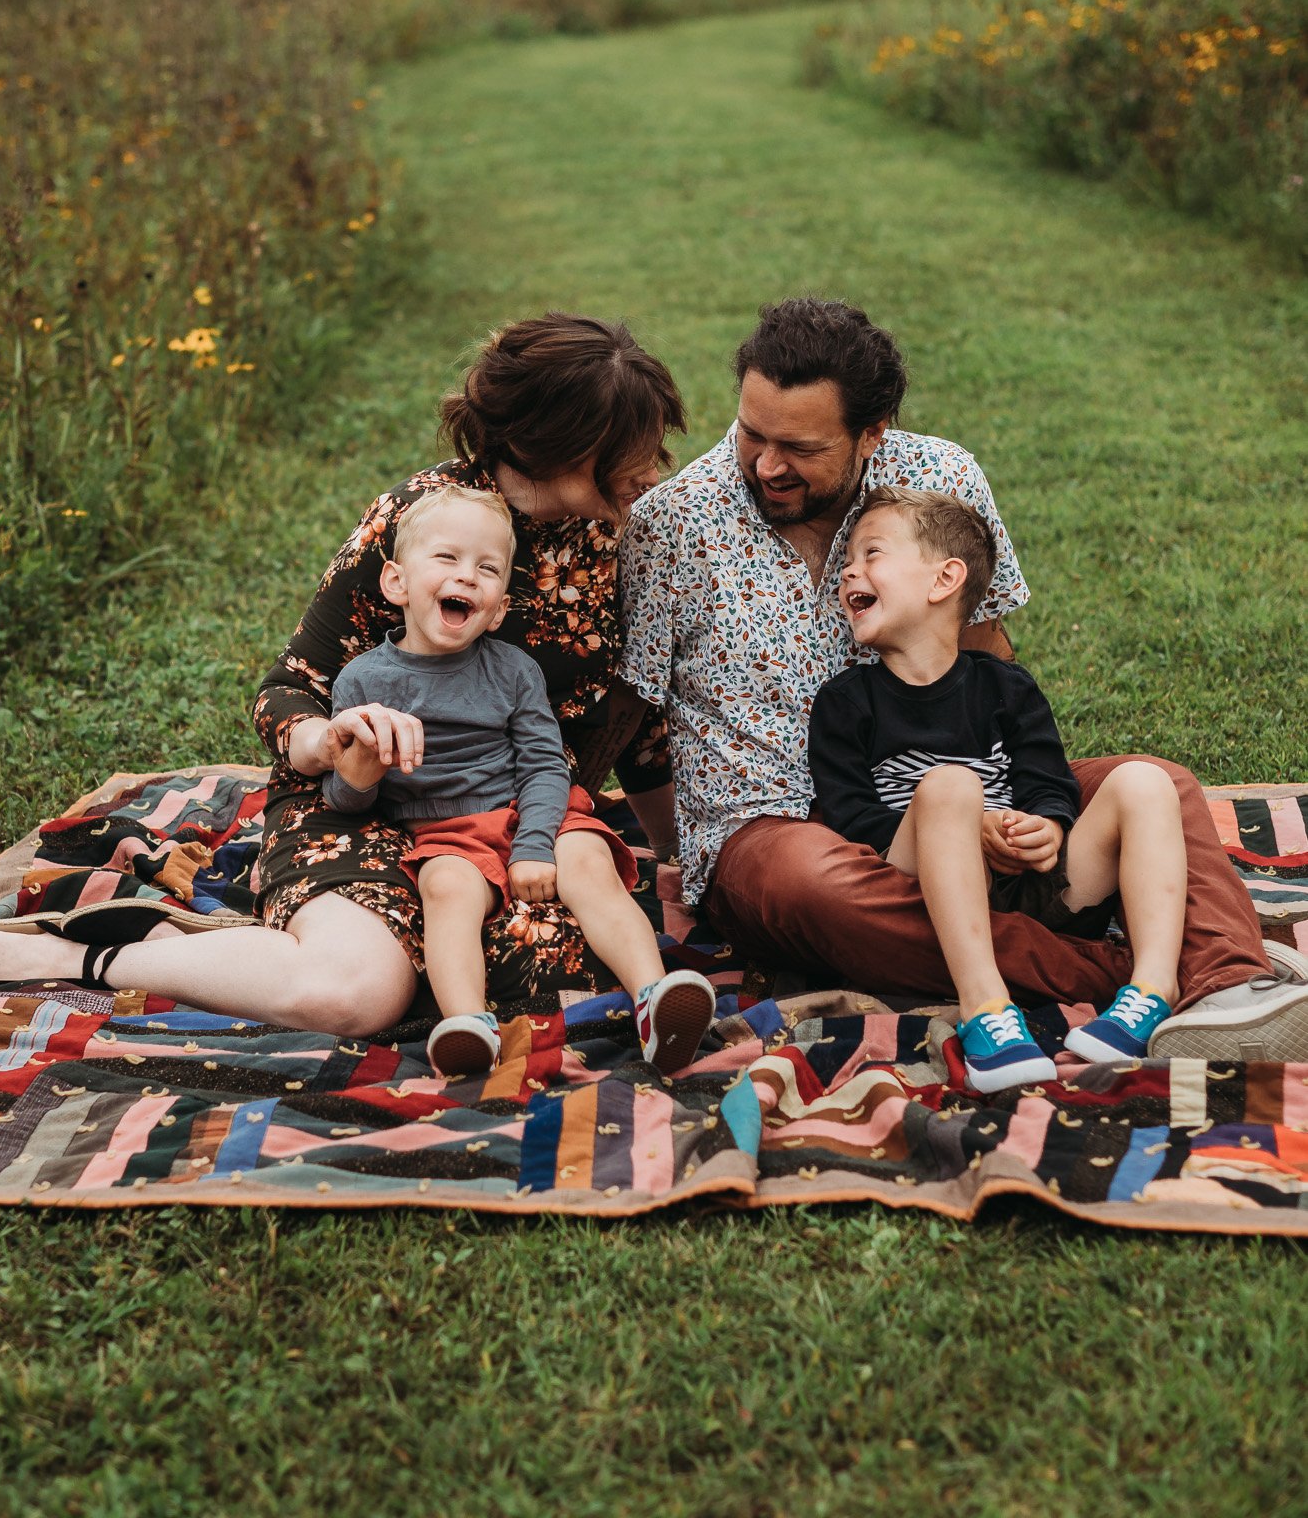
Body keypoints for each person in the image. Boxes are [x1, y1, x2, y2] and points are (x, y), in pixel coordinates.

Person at [0, 314, 687, 1036]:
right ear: (551, 445)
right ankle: (87, 953)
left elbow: (638, 717)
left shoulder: (630, 532)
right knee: (355, 994)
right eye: (629, 452)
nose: (652, 472)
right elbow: (291, 686)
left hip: (513, 812)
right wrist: (332, 742)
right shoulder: (426, 518)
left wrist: (679, 857)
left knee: (564, 967)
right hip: (359, 804)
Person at [620, 295, 1308, 1060]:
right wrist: (676, 853)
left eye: (800, 446)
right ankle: (1145, 967)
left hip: (967, 798)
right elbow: (640, 720)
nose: (767, 464)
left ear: (869, 435)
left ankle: (1234, 986)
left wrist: (1027, 816)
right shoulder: (670, 523)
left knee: (1157, 783)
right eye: (752, 432)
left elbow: (986, 656)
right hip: (779, 828)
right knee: (809, 885)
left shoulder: (938, 475)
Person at [321, 482, 714, 1076]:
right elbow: (349, 796)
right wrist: (358, 775)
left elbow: (543, 763)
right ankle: (468, 1025)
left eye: (487, 568)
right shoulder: (362, 683)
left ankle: (654, 999)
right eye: (448, 559)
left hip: (536, 806)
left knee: (589, 865)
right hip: (445, 830)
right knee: (446, 893)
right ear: (397, 583)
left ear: (501, 605)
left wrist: (534, 845)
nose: (468, 576)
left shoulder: (511, 670)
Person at [808, 487, 1188, 1091]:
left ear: (944, 580)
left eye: (870, 553)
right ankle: (986, 1008)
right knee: (952, 787)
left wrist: (1048, 826)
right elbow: (852, 817)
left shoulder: (1004, 686)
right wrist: (958, 824)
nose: (849, 570)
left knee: (1145, 782)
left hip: (1031, 882)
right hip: (925, 882)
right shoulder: (845, 703)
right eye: (847, 561)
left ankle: (1152, 988)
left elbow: (1047, 776)